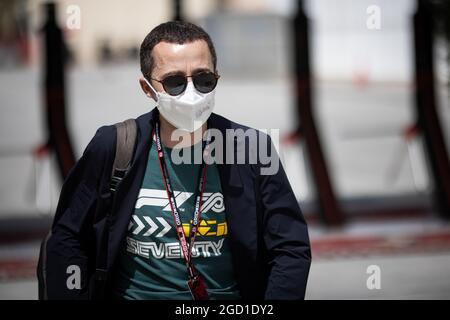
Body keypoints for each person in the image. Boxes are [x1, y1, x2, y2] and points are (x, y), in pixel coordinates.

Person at [42, 21, 311, 300]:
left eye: (203, 79)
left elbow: (290, 248)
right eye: (174, 82)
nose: (192, 93)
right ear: (147, 88)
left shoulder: (252, 149)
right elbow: (68, 238)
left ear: (217, 77)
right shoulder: (112, 146)